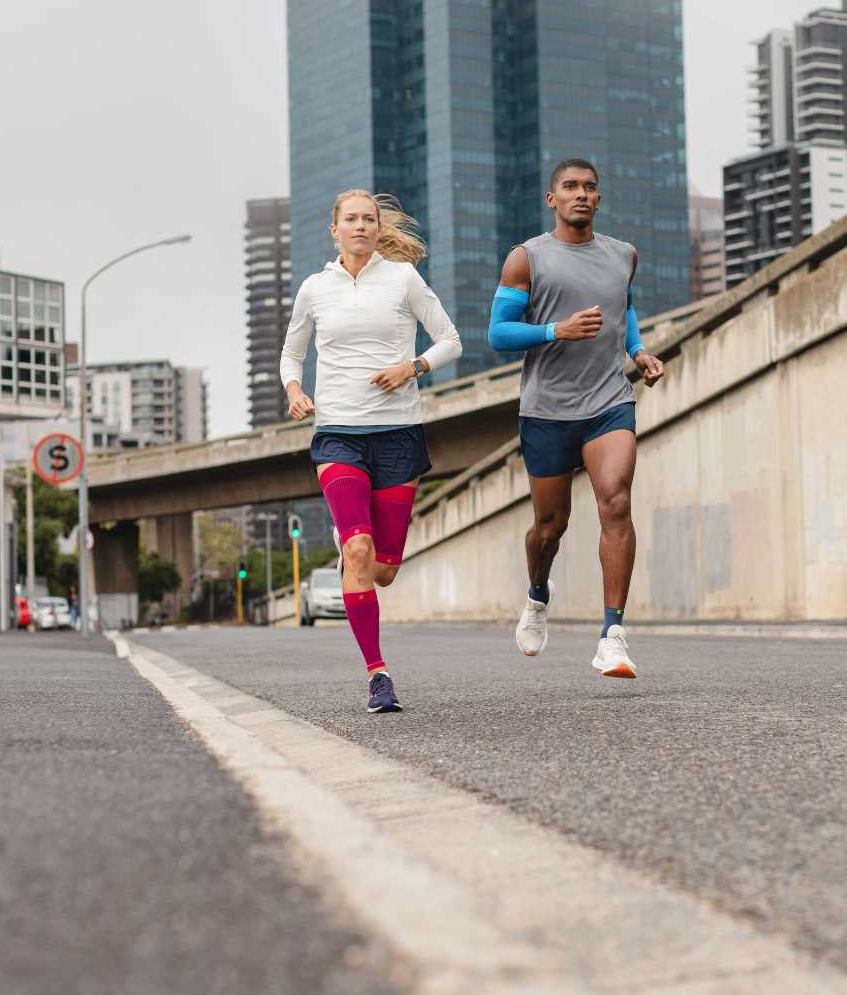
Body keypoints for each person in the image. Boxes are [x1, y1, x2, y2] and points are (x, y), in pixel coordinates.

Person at [281, 189, 462, 713]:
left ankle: (356, 544)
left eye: (368, 219)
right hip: (337, 430)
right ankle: (378, 675)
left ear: (378, 228)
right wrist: (295, 390)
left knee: (383, 568)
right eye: (351, 219)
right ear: (333, 228)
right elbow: (292, 353)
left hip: (399, 432)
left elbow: (450, 340)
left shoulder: (403, 279)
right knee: (358, 551)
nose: (360, 226)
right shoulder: (315, 288)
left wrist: (414, 367)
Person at [486, 158, 665, 678]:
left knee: (617, 501)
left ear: (599, 199)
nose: (581, 194)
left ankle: (612, 634)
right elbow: (498, 334)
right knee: (550, 526)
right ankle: (538, 595)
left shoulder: (623, 255)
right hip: (546, 409)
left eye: (590, 187)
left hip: (609, 400)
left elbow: (623, 306)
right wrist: (553, 332)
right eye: (570, 187)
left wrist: (638, 350)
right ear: (553, 199)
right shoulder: (527, 259)